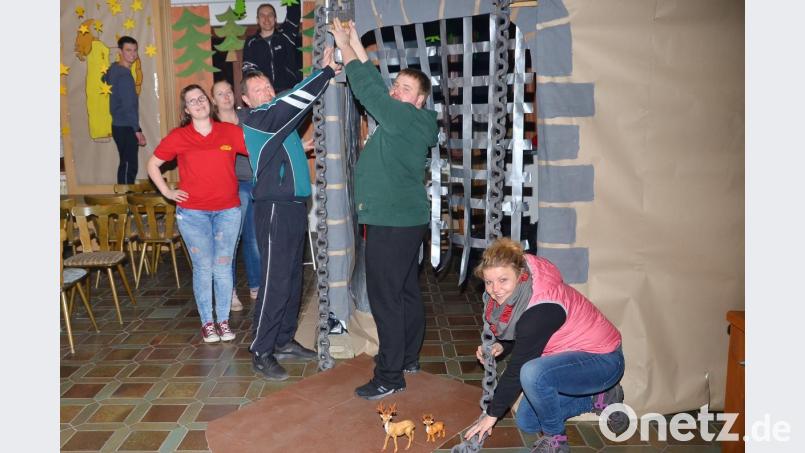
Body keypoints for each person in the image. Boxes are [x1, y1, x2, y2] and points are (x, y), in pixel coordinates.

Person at [329, 20, 439, 400]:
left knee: (386, 298)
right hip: (401, 220)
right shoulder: (406, 118)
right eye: (396, 85)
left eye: (405, 88)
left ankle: (390, 374)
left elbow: (369, 91)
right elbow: (377, 86)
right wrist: (356, 43)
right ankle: (407, 357)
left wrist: (344, 45)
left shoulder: (403, 117)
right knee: (405, 291)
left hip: (392, 221)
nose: (395, 91)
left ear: (419, 99)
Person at [463, 238, 626, 453]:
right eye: (489, 282)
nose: (495, 289)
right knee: (527, 422)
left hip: (603, 360)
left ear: (520, 275)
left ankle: (556, 440)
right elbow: (525, 334)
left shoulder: (540, 309)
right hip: (568, 359)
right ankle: (598, 397)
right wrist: (502, 346)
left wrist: (491, 415)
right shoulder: (522, 290)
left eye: (503, 280)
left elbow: (519, 364)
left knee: (531, 374)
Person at [240, 49, 340, 380]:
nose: (267, 92)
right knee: (274, 280)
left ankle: (283, 340)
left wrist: (303, 147)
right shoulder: (258, 119)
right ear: (246, 100)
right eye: (258, 90)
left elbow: (285, 137)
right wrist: (324, 72)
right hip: (273, 209)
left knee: (293, 278)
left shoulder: (275, 123)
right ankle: (261, 348)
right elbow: (293, 101)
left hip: (294, 207)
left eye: (268, 86)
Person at [146, 85, 247, 344]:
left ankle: (223, 321)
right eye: (192, 101)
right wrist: (167, 192)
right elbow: (153, 164)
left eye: (201, 98)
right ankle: (207, 323)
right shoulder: (179, 137)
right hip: (193, 214)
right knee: (203, 268)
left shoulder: (230, 131)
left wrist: (297, 147)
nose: (198, 103)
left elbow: (260, 148)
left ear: (209, 103)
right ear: (187, 110)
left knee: (223, 267)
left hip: (227, 210)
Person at [210, 79, 261, 312]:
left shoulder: (248, 117)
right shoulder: (212, 125)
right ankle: (228, 292)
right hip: (232, 186)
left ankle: (256, 286)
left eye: (229, 92)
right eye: (220, 94)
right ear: (214, 100)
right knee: (231, 240)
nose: (226, 96)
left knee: (254, 238)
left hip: (255, 182)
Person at [104, 35, 146, 183]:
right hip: (126, 126)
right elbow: (129, 106)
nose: (133, 54)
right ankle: (126, 202)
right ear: (120, 51)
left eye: (135, 50)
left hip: (118, 125)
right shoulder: (124, 75)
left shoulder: (114, 68)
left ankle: (123, 201)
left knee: (125, 163)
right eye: (128, 50)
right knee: (129, 165)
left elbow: (104, 79)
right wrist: (137, 130)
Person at [242, 3, 301, 93]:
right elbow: (248, 70)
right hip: (264, 94)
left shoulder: (286, 35)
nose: (266, 19)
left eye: (270, 15)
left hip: (289, 91)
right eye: (262, 15)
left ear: (275, 18)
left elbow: (294, 13)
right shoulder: (251, 42)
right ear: (257, 20)